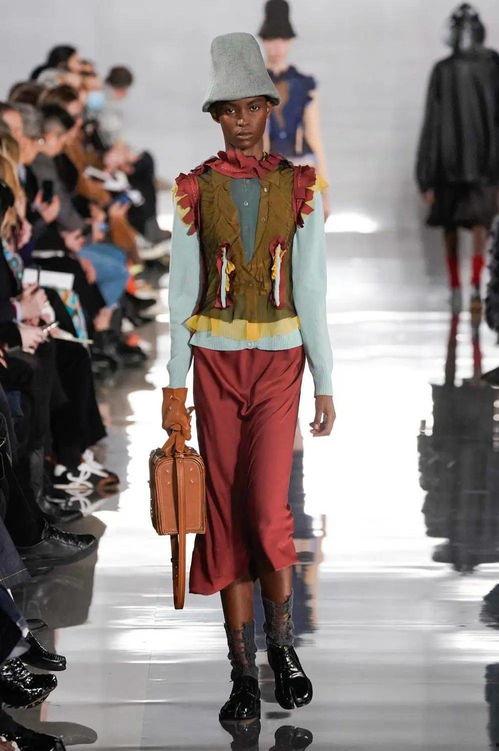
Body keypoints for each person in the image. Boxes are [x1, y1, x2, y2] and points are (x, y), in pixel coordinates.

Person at [164, 32, 335, 725]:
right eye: (229, 109)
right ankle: (241, 671)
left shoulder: (299, 186)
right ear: (215, 114)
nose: (241, 120)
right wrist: (174, 385)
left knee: (266, 510)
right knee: (223, 516)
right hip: (213, 364)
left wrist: (325, 379)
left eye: (252, 107)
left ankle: (282, 648)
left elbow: (312, 287)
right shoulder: (193, 189)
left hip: (279, 363)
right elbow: (182, 293)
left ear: (268, 107)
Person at [416, 3, 499, 313]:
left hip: (448, 165)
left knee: (452, 228)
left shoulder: (445, 70)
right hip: (483, 166)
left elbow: (432, 123)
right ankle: (473, 284)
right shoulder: (491, 66)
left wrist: (425, 176)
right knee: (480, 226)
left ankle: (457, 287)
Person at [258, 0, 330, 216]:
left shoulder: (303, 85)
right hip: (263, 171)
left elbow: (314, 136)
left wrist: (326, 191)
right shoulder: (252, 85)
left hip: (301, 169)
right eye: (272, 39)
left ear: (290, 41)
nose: (277, 46)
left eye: (283, 39)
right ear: (263, 40)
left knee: (302, 230)